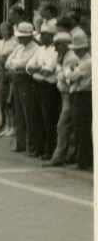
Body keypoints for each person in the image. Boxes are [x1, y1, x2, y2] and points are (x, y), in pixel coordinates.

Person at [26, 23, 60, 161]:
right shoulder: (40, 50)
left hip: (48, 87)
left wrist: (38, 68)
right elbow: (29, 67)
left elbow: (49, 70)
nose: (42, 37)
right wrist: (39, 68)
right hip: (37, 85)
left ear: (51, 36)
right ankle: (40, 148)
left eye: (45, 35)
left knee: (49, 120)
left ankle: (49, 150)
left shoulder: (55, 50)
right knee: (37, 118)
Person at [5, 22, 39, 155]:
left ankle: (31, 145)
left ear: (28, 36)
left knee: (28, 113)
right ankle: (21, 143)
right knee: (18, 112)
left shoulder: (35, 48)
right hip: (17, 79)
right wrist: (16, 65)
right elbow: (8, 62)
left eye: (21, 36)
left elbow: (25, 64)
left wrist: (15, 64)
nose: (18, 38)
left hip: (27, 80)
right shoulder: (19, 47)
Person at [45, 32, 77, 166]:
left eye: (57, 45)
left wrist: (57, 67)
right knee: (67, 126)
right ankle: (67, 156)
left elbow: (64, 77)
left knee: (63, 125)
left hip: (70, 94)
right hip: (64, 94)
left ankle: (59, 157)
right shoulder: (63, 56)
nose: (55, 49)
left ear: (64, 45)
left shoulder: (71, 58)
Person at [65, 33, 92, 171]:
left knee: (81, 128)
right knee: (79, 128)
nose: (75, 51)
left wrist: (68, 73)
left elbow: (73, 76)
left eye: (77, 48)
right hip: (78, 94)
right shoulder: (80, 61)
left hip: (83, 95)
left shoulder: (87, 62)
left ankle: (83, 160)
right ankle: (83, 159)